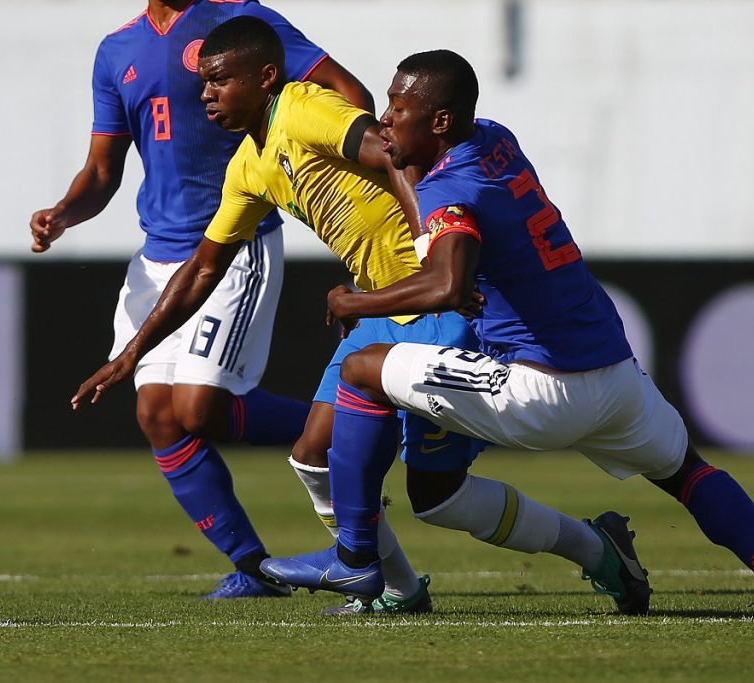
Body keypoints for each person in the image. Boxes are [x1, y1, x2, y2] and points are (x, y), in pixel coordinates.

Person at [73, 17, 655, 617]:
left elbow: (393, 153)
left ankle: (597, 550)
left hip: (430, 302)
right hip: (382, 305)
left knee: (438, 497)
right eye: (203, 84)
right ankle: (395, 589)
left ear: (266, 78)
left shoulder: (303, 108)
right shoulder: (248, 166)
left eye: (219, 80)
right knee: (311, 454)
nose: (206, 95)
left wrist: (434, 254)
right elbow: (201, 269)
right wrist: (132, 353)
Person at [263, 50, 754, 621]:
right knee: (688, 473)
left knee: (364, 366)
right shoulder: (495, 137)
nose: (384, 118)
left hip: (538, 390)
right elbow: (455, 240)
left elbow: (445, 283)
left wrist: (353, 299)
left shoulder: (450, 191)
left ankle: (355, 558)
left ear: (439, 120)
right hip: (617, 378)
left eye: (396, 106)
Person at [29, 0, 374, 600]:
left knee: (195, 406)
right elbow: (103, 170)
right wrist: (63, 213)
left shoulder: (239, 19)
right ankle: (255, 568)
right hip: (158, 257)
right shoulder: (117, 51)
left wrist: (311, 169)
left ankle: (359, 427)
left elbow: (349, 93)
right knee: (158, 417)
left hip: (235, 244)